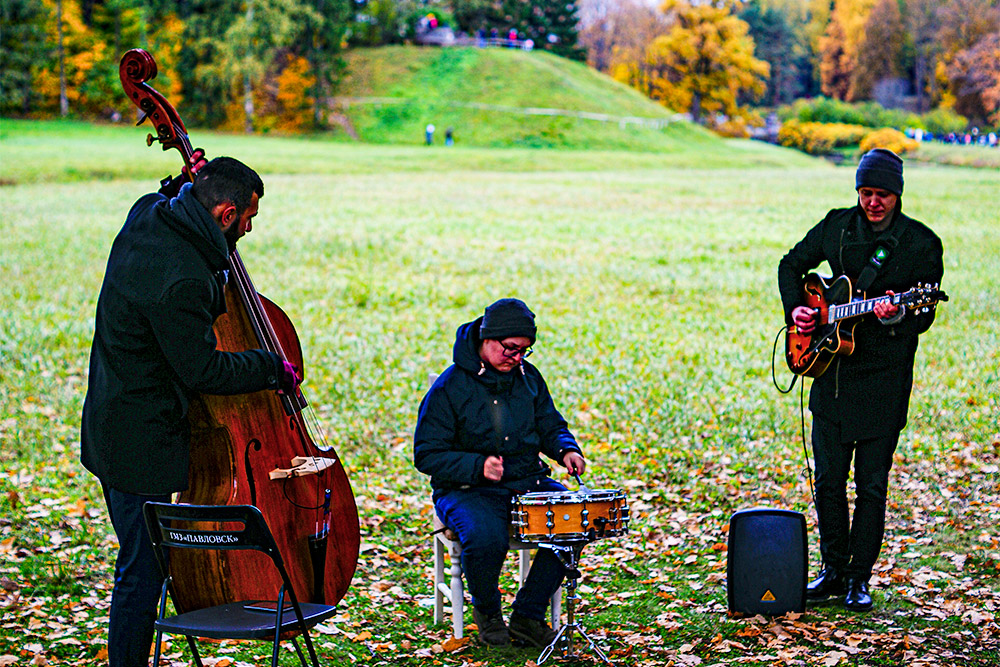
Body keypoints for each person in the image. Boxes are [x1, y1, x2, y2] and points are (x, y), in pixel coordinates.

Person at [81, 155, 301, 667]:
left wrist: (184, 179)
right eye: (247, 219)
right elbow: (202, 371)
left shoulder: (148, 215)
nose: (248, 229)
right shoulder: (183, 279)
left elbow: (164, 196)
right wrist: (271, 366)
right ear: (225, 214)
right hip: (140, 439)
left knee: (143, 562)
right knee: (143, 569)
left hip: (112, 415)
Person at [777, 148, 944, 612]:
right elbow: (790, 265)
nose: (873, 202)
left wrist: (893, 316)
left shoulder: (920, 244)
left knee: (871, 484)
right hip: (830, 374)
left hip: (884, 381)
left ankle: (858, 577)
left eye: (883, 195)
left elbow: (922, 317)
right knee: (828, 479)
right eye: (866, 193)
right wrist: (799, 309)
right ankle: (832, 569)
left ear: (899, 195)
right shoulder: (837, 225)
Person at [414, 298, 586, 647]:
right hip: (464, 488)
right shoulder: (450, 386)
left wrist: (566, 448)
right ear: (487, 339)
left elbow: (550, 424)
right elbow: (426, 454)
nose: (518, 358)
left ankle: (528, 615)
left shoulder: (528, 378)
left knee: (574, 521)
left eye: (525, 351)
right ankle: (488, 613)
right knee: (486, 536)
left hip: (526, 480)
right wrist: (478, 466)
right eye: (511, 349)